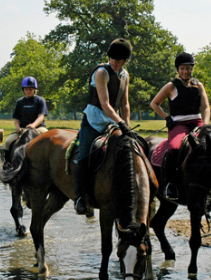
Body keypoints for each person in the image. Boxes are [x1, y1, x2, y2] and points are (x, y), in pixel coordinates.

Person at [74, 38, 134, 215]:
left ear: (125, 60)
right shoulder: (101, 73)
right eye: (111, 58)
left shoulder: (125, 75)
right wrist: (121, 122)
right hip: (93, 121)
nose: (113, 61)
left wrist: (127, 125)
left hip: (112, 122)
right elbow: (105, 104)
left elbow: (125, 104)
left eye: (118, 59)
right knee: (84, 156)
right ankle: (79, 197)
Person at [150, 52, 210, 200]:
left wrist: (206, 126)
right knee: (175, 147)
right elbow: (154, 103)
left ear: (192, 69)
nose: (186, 71)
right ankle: (171, 184)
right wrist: (167, 117)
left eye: (189, 68)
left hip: (197, 123)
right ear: (178, 69)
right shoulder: (171, 86)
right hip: (179, 125)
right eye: (183, 68)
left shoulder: (198, 85)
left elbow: (206, 108)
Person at [2, 76, 48, 167]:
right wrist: (18, 128)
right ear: (23, 89)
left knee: (50, 139)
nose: (28, 91)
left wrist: (33, 125)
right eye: (26, 89)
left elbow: (41, 116)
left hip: (39, 128)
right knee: (7, 142)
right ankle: (7, 163)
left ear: (34, 89)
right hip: (23, 129)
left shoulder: (40, 100)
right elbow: (16, 119)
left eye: (30, 89)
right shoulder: (20, 102)